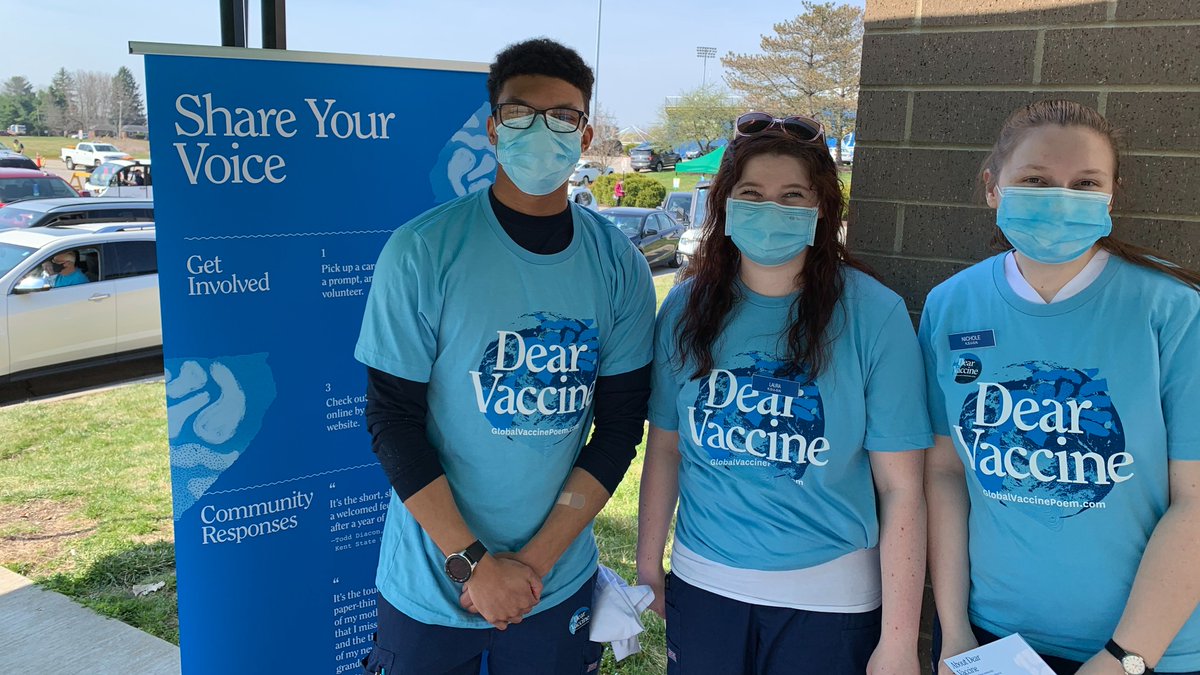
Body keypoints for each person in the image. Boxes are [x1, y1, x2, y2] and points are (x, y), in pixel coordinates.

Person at [355, 38, 655, 675]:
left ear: (586, 133)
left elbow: (622, 424)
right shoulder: (422, 252)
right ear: (494, 128)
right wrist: (474, 564)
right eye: (521, 114)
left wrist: (533, 566)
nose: (541, 131)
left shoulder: (618, 265)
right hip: (431, 585)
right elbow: (392, 421)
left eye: (563, 117)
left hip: (556, 580)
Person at [637, 112, 931, 674]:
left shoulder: (874, 314)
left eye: (793, 195)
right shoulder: (684, 306)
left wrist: (897, 641)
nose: (771, 210)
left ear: (821, 208)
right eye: (752, 193)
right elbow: (666, 449)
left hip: (830, 599)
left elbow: (902, 489)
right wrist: (649, 564)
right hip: (704, 586)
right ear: (725, 204)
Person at [921, 100, 1200, 675]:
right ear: (992, 188)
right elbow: (946, 473)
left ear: (1111, 195)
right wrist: (953, 632)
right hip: (994, 642)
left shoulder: (1171, 310)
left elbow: (1196, 501)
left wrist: (1125, 657)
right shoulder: (951, 305)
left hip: (1150, 651)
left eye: (1084, 184)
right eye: (1036, 181)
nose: (1059, 199)